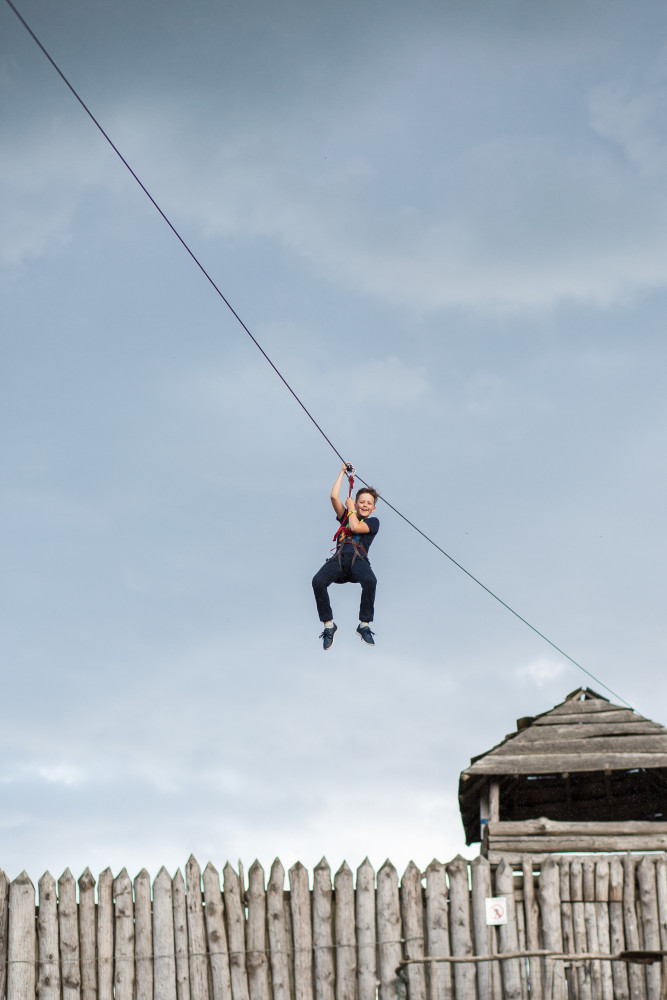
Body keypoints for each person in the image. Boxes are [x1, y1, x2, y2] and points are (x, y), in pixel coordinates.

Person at [312, 462, 380, 650]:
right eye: (362, 502)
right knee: (318, 581)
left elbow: (356, 527)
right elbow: (334, 496)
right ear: (357, 503)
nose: (365, 505)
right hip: (340, 559)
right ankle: (329, 625)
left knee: (370, 581)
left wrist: (351, 510)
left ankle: (364, 625)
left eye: (369, 503)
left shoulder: (373, 522)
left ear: (373, 508)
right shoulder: (346, 515)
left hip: (358, 560)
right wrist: (342, 472)